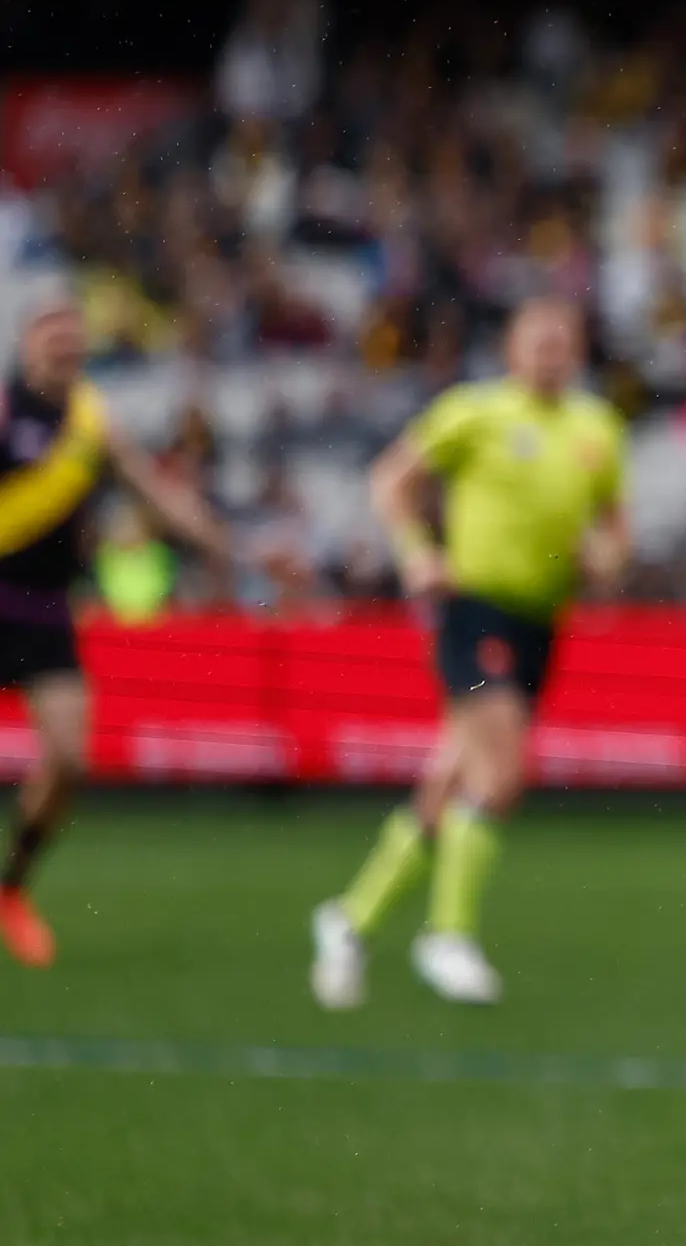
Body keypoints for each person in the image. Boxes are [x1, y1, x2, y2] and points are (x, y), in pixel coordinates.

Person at [312, 298, 628, 1010]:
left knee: (449, 785)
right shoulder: (475, 413)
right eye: (538, 335)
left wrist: (605, 556)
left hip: (541, 622)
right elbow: (391, 479)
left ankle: (349, 921)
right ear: (513, 348)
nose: (550, 346)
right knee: (501, 774)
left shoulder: (596, 429)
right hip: (475, 609)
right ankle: (446, 936)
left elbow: (614, 527)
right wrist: (417, 552)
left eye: (562, 335)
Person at [0, 296, 237, 968]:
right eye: (52, 334)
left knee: (71, 758)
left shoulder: (92, 422)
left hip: (44, 607)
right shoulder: (5, 409)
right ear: (27, 342)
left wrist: (218, 542)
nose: (65, 346)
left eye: (74, 337)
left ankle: (12, 889)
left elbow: (150, 491)